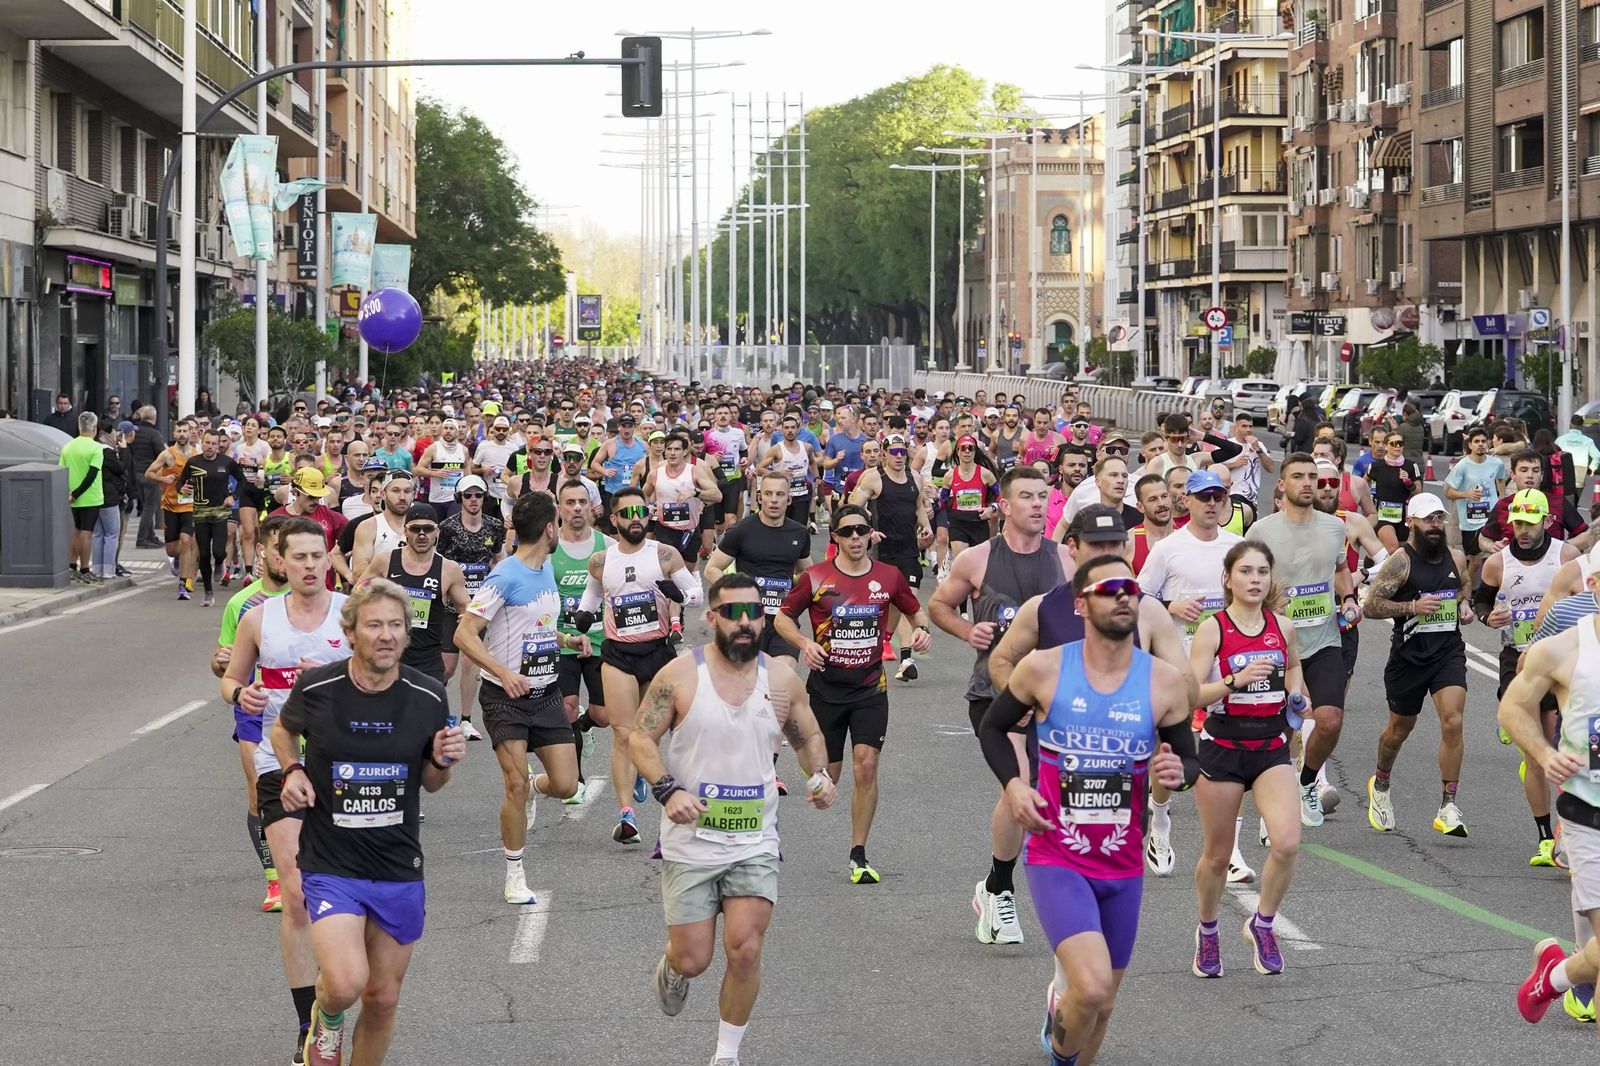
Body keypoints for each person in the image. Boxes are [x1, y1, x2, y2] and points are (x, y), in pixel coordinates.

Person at [977, 554, 1196, 1066]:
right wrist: (1013, 786)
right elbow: (993, 727)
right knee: (1093, 986)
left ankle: (1066, 1040)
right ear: (1081, 604)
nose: (1123, 595)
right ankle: (1060, 1048)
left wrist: (1179, 773)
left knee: (1105, 1004)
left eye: (1131, 587)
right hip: (1058, 856)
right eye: (1109, 587)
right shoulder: (1045, 668)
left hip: (1123, 864)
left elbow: (1187, 755)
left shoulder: (1163, 682)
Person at [630, 574, 838, 1066]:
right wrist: (667, 789)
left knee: (745, 948)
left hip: (754, 839)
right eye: (734, 613)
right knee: (694, 957)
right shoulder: (679, 676)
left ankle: (726, 1055)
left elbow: (807, 736)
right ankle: (675, 967)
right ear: (713, 618)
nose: (745, 623)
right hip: (691, 840)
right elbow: (639, 738)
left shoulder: (781, 678)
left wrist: (820, 777)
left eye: (754, 613)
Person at [272, 578, 464, 1066]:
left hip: (398, 864)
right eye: (374, 625)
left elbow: (432, 783)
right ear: (351, 631)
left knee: (382, 998)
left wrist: (442, 761)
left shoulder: (427, 694)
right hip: (331, 862)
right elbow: (282, 730)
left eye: (395, 625)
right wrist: (293, 769)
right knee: (344, 983)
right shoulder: (319, 688)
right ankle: (327, 1016)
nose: (386, 635)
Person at [218, 517, 351, 1061]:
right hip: (281, 761)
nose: (310, 566)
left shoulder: (352, 614)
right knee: (295, 894)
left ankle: (337, 993)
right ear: (279, 559)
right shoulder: (258, 619)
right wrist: (239, 694)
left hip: (347, 768)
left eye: (318, 556)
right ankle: (307, 1025)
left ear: (328, 557)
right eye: (298, 557)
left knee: (344, 893)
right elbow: (231, 678)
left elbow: (387, 679)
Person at [930, 466, 1074, 945]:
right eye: (1027, 497)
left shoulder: (1065, 561)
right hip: (995, 696)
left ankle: (992, 885)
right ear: (1005, 507)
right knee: (1021, 785)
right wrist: (966, 630)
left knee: (1044, 796)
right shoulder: (976, 559)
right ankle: (1004, 890)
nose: (1037, 504)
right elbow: (938, 605)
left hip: (1054, 699)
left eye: (1043, 496)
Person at [774, 504, 933, 884]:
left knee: (867, 765)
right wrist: (802, 643)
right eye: (847, 532)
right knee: (827, 777)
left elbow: (916, 613)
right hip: (826, 689)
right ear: (837, 538)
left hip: (869, 688)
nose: (856, 538)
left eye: (862, 530)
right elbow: (782, 618)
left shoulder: (889, 576)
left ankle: (858, 853)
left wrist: (922, 631)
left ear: (870, 534)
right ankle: (810, 762)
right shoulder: (815, 578)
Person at [453, 491, 587, 904]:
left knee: (566, 786)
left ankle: (535, 784)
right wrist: (503, 672)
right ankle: (514, 872)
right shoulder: (504, 577)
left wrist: (565, 637)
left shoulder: (546, 570)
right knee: (511, 785)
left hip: (546, 693)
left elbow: (538, 625)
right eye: (559, 523)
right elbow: (463, 634)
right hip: (504, 698)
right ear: (550, 529)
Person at [1187, 541, 1307, 977]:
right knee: (1218, 857)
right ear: (1228, 579)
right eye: (1246, 572)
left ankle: (1264, 922)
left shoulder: (1282, 626)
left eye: (1262, 572)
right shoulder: (1213, 629)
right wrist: (1234, 681)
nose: (1255, 580)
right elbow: (1191, 693)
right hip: (1222, 750)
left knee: (1288, 843)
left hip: (1270, 748)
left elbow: (1293, 668)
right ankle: (1207, 931)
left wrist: (1298, 696)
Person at [1135, 467, 1245, 874]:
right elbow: (1137, 596)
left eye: (1218, 496)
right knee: (1171, 754)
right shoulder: (1169, 548)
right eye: (1204, 497)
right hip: (1177, 666)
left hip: (1227, 667)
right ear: (1188, 502)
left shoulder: (1237, 547)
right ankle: (1159, 819)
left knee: (1232, 752)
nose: (1212, 503)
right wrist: (1171, 607)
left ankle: (1230, 851)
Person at [578, 486, 702, 844]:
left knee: (650, 734)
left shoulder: (664, 554)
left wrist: (681, 595)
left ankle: (640, 769)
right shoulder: (601, 560)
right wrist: (585, 614)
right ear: (614, 519)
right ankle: (626, 814)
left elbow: (695, 592)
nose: (635, 519)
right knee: (623, 733)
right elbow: (594, 592)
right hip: (618, 655)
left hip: (658, 654)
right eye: (627, 514)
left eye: (640, 512)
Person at [1499, 602, 1600, 1027]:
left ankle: (1553, 978)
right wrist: (1542, 751)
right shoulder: (1563, 650)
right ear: (1595, 583)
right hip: (1588, 816)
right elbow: (1512, 708)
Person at [1246, 454, 1356, 825]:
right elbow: (1244, 582)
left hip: (1323, 639)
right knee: (1277, 729)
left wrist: (1350, 597)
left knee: (1330, 720)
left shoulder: (1334, 528)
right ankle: (1269, 802)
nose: (1308, 483)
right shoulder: (1261, 531)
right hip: (1276, 644)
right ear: (1282, 485)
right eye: (1299, 477)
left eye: (1314, 477)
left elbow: (1340, 569)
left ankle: (1307, 780)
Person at [1472, 489, 1578, 866]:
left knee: (1562, 746)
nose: (1523, 530)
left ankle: (1571, 826)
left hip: (1562, 661)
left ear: (1547, 521)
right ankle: (1546, 837)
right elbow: (1479, 599)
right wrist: (1488, 617)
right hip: (1517, 659)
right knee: (1536, 756)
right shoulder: (1497, 563)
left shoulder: (1566, 557)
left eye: (1530, 523)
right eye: (1517, 522)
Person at [1360, 493, 1475, 836]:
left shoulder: (1455, 557)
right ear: (1412, 523)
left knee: (1453, 721)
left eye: (1439, 519)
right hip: (1409, 658)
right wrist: (1411, 608)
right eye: (1428, 520)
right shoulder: (1400, 561)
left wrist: (1464, 605)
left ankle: (1448, 805)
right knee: (1398, 730)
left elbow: (1465, 585)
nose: (1435, 526)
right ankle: (1380, 784)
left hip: (1447, 653)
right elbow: (1371, 605)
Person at [211, 511, 292, 912]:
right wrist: (225, 668)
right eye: (279, 551)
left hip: (303, 711)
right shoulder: (242, 604)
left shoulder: (313, 599)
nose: (285, 560)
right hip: (256, 710)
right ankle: (275, 881)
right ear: (262, 551)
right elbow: (222, 666)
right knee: (260, 793)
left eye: (290, 552)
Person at [705, 471, 814, 667]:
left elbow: (807, 575)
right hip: (747, 618)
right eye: (768, 493)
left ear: (788, 499)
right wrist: (738, 595)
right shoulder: (741, 530)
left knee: (784, 671)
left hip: (782, 618)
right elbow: (711, 569)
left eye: (780, 495)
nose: (774, 500)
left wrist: (796, 595)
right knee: (747, 677)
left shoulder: (799, 532)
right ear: (759, 497)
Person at [848, 433, 933, 677]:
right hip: (881, 551)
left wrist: (926, 527)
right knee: (887, 604)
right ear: (884, 454)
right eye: (893, 452)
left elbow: (918, 507)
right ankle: (881, 641)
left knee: (908, 601)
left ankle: (906, 659)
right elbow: (854, 509)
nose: (898, 456)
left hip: (908, 551)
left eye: (902, 452)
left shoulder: (915, 478)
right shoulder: (874, 479)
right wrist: (868, 531)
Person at [361, 501, 469, 689]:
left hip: (428, 661)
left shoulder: (449, 569)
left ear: (437, 532)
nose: (421, 535)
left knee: (427, 716)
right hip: (388, 656)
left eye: (427, 529)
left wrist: (467, 616)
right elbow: (359, 592)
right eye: (415, 529)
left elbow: (465, 605)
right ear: (405, 531)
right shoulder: (386, 560)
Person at [550, 478, 613, 800]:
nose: (576, 508)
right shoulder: (549, 549)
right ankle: (575, 780)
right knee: (567, 708)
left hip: (601, 640)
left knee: (604, 715)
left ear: (591, 507)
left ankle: (585, 728)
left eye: (582, 502)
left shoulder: (608, 547)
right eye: (570, 502)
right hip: (562, 641)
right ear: (559, 508)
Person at [437, 474, 504, 741]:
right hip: (451, 606)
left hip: (481, 606)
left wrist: (496, 588)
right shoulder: (448, 527)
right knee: (447, 667)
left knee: (470, 662)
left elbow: (498, 558)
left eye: (478, 495)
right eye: (468, 496)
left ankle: (465, 720)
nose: (474, 500)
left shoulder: (495, 526)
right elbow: (439, 563)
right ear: (460, 498)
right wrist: (450, 597)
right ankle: (433, 709)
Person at [176, 427, 247, 606]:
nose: (210, 447)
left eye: (214, 444)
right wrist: (182, 489)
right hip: (200, 512)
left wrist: (234, 496)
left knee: (218, 551)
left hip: (221, 511)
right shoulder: (193, 462)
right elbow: (180, 483)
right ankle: (208, 592)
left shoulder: (227, 462)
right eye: (207, 443)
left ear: (219, 446)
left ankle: (221, 562)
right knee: (204, 554)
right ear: (202, 442)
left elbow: (242, 480)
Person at [1443, 427, 1506, 588]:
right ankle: (1467, 591)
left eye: (1483, 441)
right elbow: (1448, 492)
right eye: (1476, 442)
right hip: (1470, 520)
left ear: (1488, 443)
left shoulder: (1496, 463)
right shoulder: (1462, 466)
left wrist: (1502, 501)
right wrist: (1467, 495)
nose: (1480, 445)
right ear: (1470, 445)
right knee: (1475, 561)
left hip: (1491, 517)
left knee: (1496, 556)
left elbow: (1500, 480)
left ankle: (1491, 592)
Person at [60, 410, 104, 583]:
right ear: (94, 428)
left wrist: (70, 493)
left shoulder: (68, 446)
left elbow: (61, 471)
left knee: (76, 531)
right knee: (87, 532)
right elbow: (92, 475)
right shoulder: (96, 448)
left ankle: (72, 566)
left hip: (72, 497)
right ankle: (85, 569)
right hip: (90, 497)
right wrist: (78, 493)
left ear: (79, 427)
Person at [1368, 429, 1424, 552]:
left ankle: (1370, 563)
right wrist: (1367, 502)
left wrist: (1408, 483)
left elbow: (1418, 491)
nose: (1398, 446)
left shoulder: (1411, 466)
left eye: (1400, 443)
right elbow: (1364, 481)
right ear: (1386, 446)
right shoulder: (1376, 466)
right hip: (1382, 515)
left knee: (1400, 550)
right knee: (1393, 548)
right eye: (1394, 443)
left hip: (1403, 515)